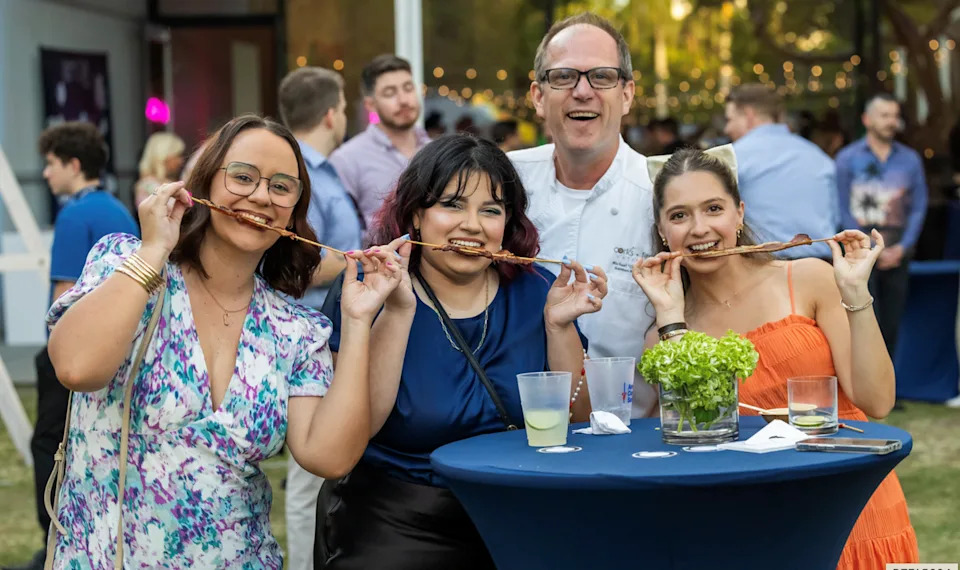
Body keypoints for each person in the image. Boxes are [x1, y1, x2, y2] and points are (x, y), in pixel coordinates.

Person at [44, 115, 401, 567]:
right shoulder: (126, 264)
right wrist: (153, 251)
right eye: (243, 177)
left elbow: (329, 457)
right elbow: (76, 367)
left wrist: (356, 321)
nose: (260, 195)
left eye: (281, 186)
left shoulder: (295, 328)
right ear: (203, 185)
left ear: (294, 210)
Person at [314, 134, 605, 569]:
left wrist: (559, 328)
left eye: (490, 210)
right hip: (396, 518)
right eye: (451, 204)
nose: (472, 225)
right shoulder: (369, 289)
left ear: (507, 224)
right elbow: (356, 435)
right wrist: (397, 313)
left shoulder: (537, 291)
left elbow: (580, 424)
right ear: (416, 214)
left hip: (518, 514)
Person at [632, 148, 918, 569]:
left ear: (739, 213)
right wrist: (671, 317)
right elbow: (693, 440)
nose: (700, 228)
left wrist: (856, 295)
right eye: (679, 216)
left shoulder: (808, 278)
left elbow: (877, 402)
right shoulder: (664, 338)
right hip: (757, 527)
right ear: (661, 230)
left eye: (714, 208)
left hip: (853, 511)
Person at [4, 122, 140, 570]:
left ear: (74, 165)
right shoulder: (119, 211)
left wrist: (55, 355)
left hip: (77, 356)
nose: (45, 174)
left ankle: (54, 544)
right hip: (120, 351)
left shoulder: (74, 215)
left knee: (51, 445)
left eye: (51, 164)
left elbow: (65, 298)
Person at [509, 12, 658, 418]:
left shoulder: (662, 197)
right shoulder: (500, 185)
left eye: (602, 77)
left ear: (627, 94)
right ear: (539, 96)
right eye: (563, 77)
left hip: (629, 442)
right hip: (505, 435)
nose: (582, 91)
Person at [277, 66, 363, 570]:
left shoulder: (325, 170)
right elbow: (290, 260)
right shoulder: (300, 174)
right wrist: (356, 259)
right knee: (309, 475)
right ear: (332, 114)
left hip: (332, 338)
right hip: (306, 344)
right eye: (346, 106)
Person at [835, 93, 928, 357]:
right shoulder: (846, 158)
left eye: (895, 116)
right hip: (859, 252)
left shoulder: (910, 160)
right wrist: (867, 248)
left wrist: (904, 247)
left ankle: (889, 395)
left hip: (897, 251)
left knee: (892, 324)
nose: (891, 121)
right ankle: (863, 395)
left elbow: (919, 207)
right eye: (884, 115)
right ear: (867, 119)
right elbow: (841, 206)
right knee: (862, 323)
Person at [724, 84, 839, 260]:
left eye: (729, 119)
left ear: (749, 115)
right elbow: (836, 218)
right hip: (824, 268)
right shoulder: (818, 156)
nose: (727, 129)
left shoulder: (734, 158)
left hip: (766, 270)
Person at [329, 54, 430, 244]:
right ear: (370, 105)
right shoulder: (347, 159)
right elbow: (341, 236)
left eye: (408, 88)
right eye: (390, 93)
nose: (403, 100)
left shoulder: (435, 150)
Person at [133, 131, 185, 207]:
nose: (181, 160)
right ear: (164, 156)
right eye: (178, 155)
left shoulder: (161, 182)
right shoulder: (149, 185)